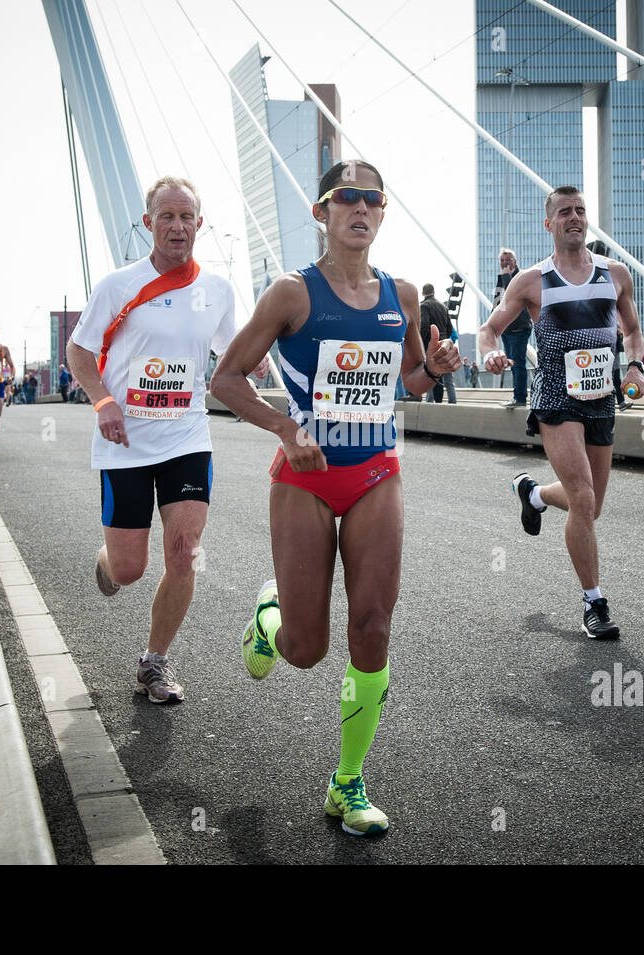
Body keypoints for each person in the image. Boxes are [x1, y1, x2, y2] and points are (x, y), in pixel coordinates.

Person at [211, 159, 461, 836]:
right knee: (304, 649)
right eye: (345, 197)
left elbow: (407, 379)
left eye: (372, 198)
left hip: (377, 471)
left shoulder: (402, 294)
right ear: (322, 211)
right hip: (306, 480)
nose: (360, 207)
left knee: (373, 626)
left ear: (383, 213)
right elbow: (226, 378)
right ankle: (270, 615)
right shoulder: (292, 294)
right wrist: (285, 429)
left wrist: (431, 370)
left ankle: (346, 781)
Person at [65, 175, 267, 706]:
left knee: (183, 553)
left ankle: (154, 662)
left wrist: (258, 365)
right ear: (149, 222)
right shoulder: (117, 285)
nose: (177, 227)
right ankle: (109, 560)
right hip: (124, 441)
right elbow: (80, 353)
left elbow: (233, 358)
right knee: (130, 569)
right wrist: (103, 402)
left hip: (186, 438)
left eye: (186, 218)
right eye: (167, 217)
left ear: (200, 225)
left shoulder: (218, 291)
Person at [480, 186, 644, 640]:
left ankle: (532, 495)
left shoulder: (615, 274)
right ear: (549, 224)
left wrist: (635, 364)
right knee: (584, 498)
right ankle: (594, 603)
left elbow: (632, 331)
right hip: (556, 393)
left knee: (591, 505)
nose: (575, 217)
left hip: (602, 396)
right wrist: (492, 354)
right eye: (564, 212)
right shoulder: (532, 280)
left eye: (580, 210)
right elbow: (489, 330)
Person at [493, 248, 532, 408]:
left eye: (508, 260)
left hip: (520, 328)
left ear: (515, 261)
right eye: (502, 260)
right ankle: (517, 396)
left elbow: (513, 295)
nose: (505, 263)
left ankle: (520, 398)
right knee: (512, 364)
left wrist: (507, 277)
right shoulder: (502, 278)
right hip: (507, 329)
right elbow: (497, 304)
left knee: (518, 363)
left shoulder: (520, 277)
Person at [420, 283, 456, 403]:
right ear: (434, 292)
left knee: (430, 377)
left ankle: (430, 403)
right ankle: (452, 403)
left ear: (423, 293)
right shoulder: (443, 307)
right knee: (448, 379)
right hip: (444, 345)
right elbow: (450, 329)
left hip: (431, 346)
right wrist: (444, 336)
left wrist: (422, 342)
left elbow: (424, 326)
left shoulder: (424, 306)